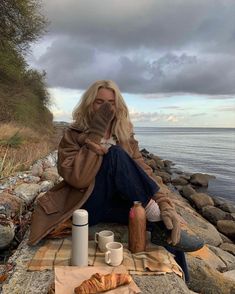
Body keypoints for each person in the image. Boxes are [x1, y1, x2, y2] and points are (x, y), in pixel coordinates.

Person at [28, 80, 203, 281]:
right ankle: (155, 215)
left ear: (117, 105)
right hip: (88, 204)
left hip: (118, 204)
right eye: (99, 102)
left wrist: (164, 203)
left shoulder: (124, 133)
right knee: (115, 154)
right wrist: (94, 135)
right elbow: (78, 179)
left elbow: (142, 171)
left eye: (111, 102)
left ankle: (185, 280)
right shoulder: (73, 134)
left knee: (165, 225)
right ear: (89, 104)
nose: (106, 107)